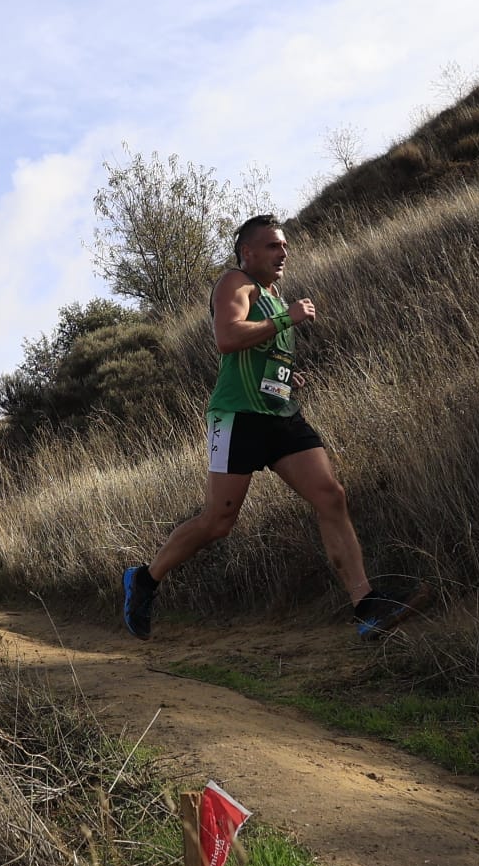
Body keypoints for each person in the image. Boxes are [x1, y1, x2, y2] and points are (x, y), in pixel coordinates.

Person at [120, 214, 423, 642]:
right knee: (218, 521)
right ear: (248, 252)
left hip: (279, 413)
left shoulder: (274, 295)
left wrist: (284, 375)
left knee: (330, 495)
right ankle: (145, 579)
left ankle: (366, 606)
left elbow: (258, 354)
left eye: (284, 246)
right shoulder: (235, 283)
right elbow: (227, 337)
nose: (283, 253)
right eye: (273, 246)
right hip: (237, 416)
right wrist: (288, 319)